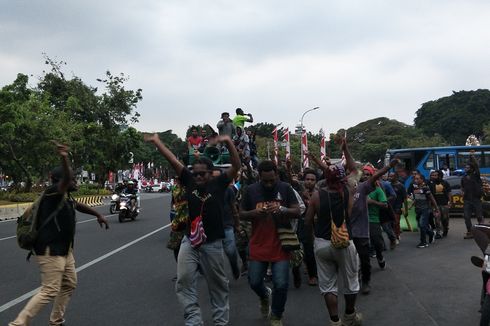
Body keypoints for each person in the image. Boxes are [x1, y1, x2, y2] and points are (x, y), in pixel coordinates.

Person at [9, 142, 109, 326]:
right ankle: (19, 323)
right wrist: (64, 156)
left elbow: (77, 205)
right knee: (49, 290)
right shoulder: (54, 192)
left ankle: (56, 320)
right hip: (50, 251)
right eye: (73, 179)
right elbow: (65, 180)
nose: (76, 182)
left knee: (69, 283)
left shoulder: (64, 197)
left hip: (64, 250)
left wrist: (98, 214)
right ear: (63, 181)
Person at [145, 133, 240, 326]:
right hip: (190, 242)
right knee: (184, 281)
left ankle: (220, 322)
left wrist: (229, 142)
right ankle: (194, 321)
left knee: (218, 286)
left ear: (211, 172)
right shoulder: (188, 181)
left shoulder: (220, 184)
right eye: (195, 173)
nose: (197, 177)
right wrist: (157, 141)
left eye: (202, 174)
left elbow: (236, 166)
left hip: (213, 244)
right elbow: (172, 159)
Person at [240, 160, 300, 326]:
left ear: (277, 176)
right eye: (265, 180)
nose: (268, 184)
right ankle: (264, 295)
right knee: (254, 281)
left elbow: (297, 211)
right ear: (259, 177)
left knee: (281, 284)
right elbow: (241, 213)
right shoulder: (250, 191)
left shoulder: (285, 188)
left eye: (272, 180)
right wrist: (255, 212)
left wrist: (282, 209)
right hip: (258, 244)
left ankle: (276, 315)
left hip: (281, 243)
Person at [409, 173, 439, 248]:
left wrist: (436, 208)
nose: (415, 180)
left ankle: (423, 242)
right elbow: (417, 198)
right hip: (418, 209)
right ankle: (431, 233)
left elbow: (432, 198)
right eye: (415, 178)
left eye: (417, 179)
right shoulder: (415, 188)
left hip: (425, 209)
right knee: (420, 225)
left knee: (422, 225)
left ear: (422, 179)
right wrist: (411, 205)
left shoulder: (426, 188)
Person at [462, 155, 484, 239]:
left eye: (467, 167)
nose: (466, 169)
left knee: (479, 216)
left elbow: (477, 167)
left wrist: (473, 159)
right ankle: (470, 232)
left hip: (476, 199)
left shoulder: (476, 176)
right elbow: (463, 187)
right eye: (465, 167)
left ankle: (483, 231)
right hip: (467, 200)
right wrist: (463, 192)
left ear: (471, 169)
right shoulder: (463, 178)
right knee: (466, 217)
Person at [428, 170, 451, 238]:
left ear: (439, 176)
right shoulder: (431, 184)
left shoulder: (445, 183)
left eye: (436, 175)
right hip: (435, 205)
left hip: (444, 204)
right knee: (437, 219)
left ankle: (445, 229)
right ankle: (439, 232)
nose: (434, 177)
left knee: (445, 219)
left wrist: (450, 202)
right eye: (433, 175)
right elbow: (429, 195)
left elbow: (449, 193)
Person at [389, 172, 410, 240]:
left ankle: (397, 236)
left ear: (396, 177)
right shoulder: (388, 185)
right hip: (389, 206)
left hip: (397, 206)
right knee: (391, 223)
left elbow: (405, 199)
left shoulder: (401, 186)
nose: (390, 178)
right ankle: (394, 233)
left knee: (396, 222)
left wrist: (406, 210)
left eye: (392, 176)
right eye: (389, 176)